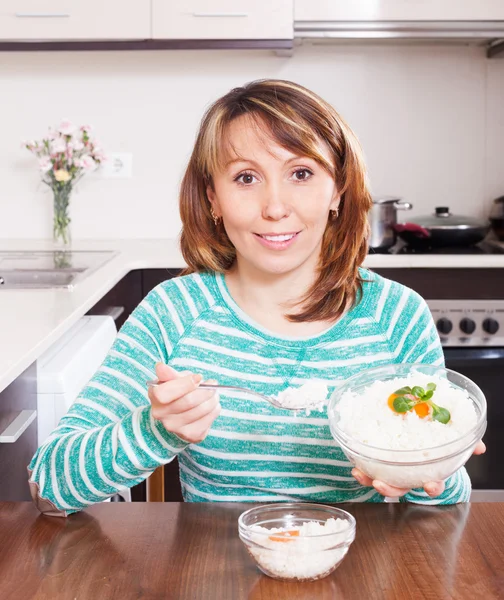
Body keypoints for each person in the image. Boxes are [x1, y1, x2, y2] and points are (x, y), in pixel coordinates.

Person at [28, 79, 485, 516]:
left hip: (358, 566)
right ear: (213, 198)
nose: (274, 207)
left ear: (338, 191)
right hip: (215, 572)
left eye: (301, 173)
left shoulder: (397, 315)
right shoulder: (174, 312)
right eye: (246, 178)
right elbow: (47, 487)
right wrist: (153, 430)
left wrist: (431, 476)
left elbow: (444, 509)